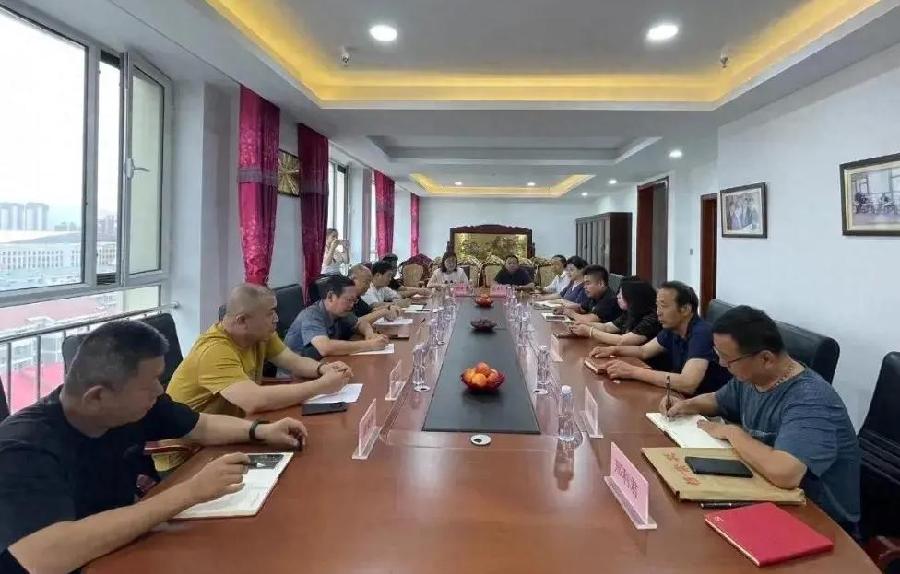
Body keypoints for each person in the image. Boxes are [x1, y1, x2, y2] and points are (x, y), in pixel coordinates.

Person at [0, 321, 307, 574]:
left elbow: (201, 425)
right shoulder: (24, 448)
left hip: (121, 549)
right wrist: (189, 492)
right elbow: (43, 557)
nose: (160, 390)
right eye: (149, 384)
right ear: (97, 397)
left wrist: (260, 431)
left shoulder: (139, 405)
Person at [660, 306, 860, 530]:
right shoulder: (752, 377)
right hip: (766, 493)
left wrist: (733, 433)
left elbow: (785, 473)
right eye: (718, 355)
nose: (722, 364)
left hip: (819, 520)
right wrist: (686, 405)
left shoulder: (811, 400)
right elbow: (718, 400)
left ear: (766, 358)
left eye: (728, 359)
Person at [590, 280, 729, 395]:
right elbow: (644, 351)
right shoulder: (672, 328)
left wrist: (632, 371)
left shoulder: (702, 333)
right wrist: (613, 350)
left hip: (709, 409)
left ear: (685, 309)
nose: (658, 313)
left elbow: (688, 383)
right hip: (680, 397)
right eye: (657, 306)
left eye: (664, 306)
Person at [285, 274, 389, 359]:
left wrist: (369, 334)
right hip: (294, 374)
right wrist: (369, 345)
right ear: (330, 296)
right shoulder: (311, 315)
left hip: (323, 363)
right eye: (349, 300)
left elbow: (360, 323)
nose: (352, 305)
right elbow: (325, 347)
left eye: (354, 300)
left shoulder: (340, 311)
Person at [573, 276, 661, 346]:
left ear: (633, 297)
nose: (617, 296)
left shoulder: (652, 318)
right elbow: (607, 327)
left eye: (621, 294)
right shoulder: (630, 313)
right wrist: (584, 324)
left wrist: (590, 331)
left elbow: (622, 340)